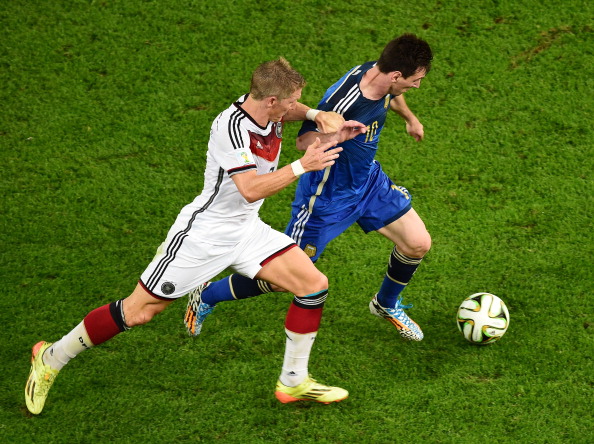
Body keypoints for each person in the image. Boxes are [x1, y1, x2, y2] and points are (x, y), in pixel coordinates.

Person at [25, 57, 368, 414]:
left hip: (246, 229)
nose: (295, 107)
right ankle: (51, 356)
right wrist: (302, 166)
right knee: (138, 312)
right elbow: (250, 189)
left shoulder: (266, 107)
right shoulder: (230, 128)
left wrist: (317, 116)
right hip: (204, 236)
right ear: (270, 101)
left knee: (312, 285)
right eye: (291, 101)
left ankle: (293, 382)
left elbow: (293, 112)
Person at [184, 34, 433, 343]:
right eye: (415, 80)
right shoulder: (344, 101)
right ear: (395, 75)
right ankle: (207, 294)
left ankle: (385, 303)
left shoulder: (380, 74)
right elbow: (303, 141)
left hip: (368, 182)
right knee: (283, 279)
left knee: (417, 243)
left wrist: (410, 118)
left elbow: (391, 96)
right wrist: (335, 136)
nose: (416, 86)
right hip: (325, 200)